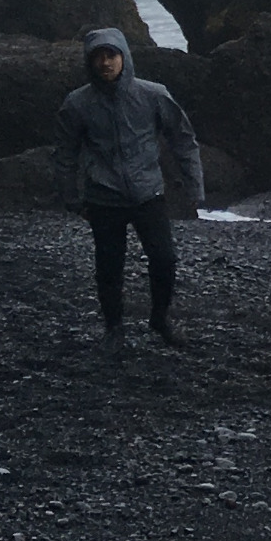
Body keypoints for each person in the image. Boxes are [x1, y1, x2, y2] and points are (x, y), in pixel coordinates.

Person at [53, 26, 204, 349]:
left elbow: (183, 139)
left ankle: (160, 318)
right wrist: (71, 197)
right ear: (89, 62)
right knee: (109, 265)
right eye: (98, 57)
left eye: (111, 55)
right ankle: (114, 328)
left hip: (147, 192)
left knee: (164, 259)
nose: (105, 63)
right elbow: (65, 153)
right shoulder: (78, 104)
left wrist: (195, 187)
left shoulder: (153, 94)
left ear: (124, 57)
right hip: (103, 197)